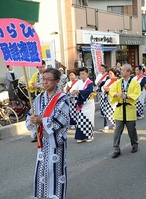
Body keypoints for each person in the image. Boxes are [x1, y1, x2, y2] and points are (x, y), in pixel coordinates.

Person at [26, 68, 69, 199]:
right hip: (43, 141)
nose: (45, 82)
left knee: (56, 170)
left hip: (56, 141)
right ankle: (42, 195)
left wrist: (42, 120)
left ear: (56, 81)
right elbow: (30, 115)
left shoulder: (63, 98)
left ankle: (56, 196)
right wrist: (33, 119)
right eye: (43, 79)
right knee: (41, 170)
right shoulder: (39, 98)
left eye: (48, 79)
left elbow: (61, 119)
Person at [109, 64, 141, 158]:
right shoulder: (118, 82)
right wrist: (116, 94)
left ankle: (134, 144)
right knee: (117, 131)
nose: (121, 72)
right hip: (119, 109)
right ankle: (116, 149)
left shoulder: (135, 83)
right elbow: (111, 91)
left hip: (129, 108)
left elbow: (137, 94)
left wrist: (126, 96)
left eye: (123, 70)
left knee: (132, 130)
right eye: (121, 70)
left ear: (128, 72)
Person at [70, 67, 95, 143]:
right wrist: (73, 91)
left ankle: (89, 136)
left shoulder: (90, 82)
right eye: (80, 74)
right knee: (80, 120)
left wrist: (79, 91)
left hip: (88, 103)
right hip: (81, 104)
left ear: (87, 74)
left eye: (83, 74)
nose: (82, 75)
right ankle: (80, 136)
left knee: (89, 120)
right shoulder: (79, 82)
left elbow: (88, 91)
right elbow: (72, 89)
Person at [28, 60, 46, 142]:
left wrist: (38, 85)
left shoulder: (47, 75)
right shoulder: (35, 75)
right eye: (39, 67)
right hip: (37, 98)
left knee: (44, 115)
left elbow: (48, 85)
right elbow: (30, 84)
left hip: (46, 97)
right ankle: (37, 134)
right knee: (36, 115)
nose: (41, 69)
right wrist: (32, 86)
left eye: (43, 67)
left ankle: (44, 132)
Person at [101, 68, 118, 132]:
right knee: (107, 112)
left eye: (111, 73)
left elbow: (117, 90)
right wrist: (104, 88)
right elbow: (103, 87)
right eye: (109, 74)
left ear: (114, 74)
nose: (110, 75)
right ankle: (106, 125)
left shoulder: (117, 81)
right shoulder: (108, 81)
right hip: (107, 98)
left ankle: (115, 124)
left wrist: (109, 89)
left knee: (114, 111)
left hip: (114, 99)